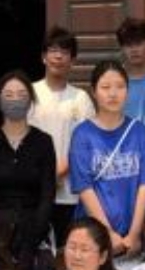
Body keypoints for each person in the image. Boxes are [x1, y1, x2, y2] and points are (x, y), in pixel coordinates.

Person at [68, 60, 145, 270]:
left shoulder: (139, 131)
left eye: (120, 86)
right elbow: (85, 188)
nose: (113, 93)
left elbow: (144, 186)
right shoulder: (82, 134)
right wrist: (107, 232)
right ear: (94, 92)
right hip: (93, 235)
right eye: (106, 87)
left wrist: (135, 233)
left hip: (131, 236)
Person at [0, 70, 55, 270]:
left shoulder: (44, 142)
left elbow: (48, 195)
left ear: (31, 100)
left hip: (34, 230)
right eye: (9, 95)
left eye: (21, 94)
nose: (15, 100)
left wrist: (33, 239)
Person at [28, 25, 95, 249]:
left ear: (72, 60)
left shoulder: (81, 98)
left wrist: (58, 171)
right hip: (34, 191)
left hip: (70, 194)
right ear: (43, 57)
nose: (58, 56)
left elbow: (86, 145)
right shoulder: (29, 93)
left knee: (69, 251)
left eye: (65, 52)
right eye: (53, 50)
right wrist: (43, 175)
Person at [116, 17, 145, 136]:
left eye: (138, 43)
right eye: (129, 45)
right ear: (122, 48)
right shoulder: (113, 82)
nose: (134, 50)